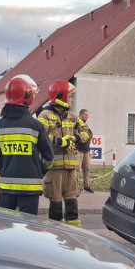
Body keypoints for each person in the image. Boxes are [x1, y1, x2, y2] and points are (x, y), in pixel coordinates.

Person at [0, 75, 53, 215]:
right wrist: (38, 171)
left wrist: (8, 164)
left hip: (6, 188)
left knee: (5, 227)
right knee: (28, 230)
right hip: (30, 190)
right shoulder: (36, 126)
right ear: (28, 96)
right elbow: (49, 157)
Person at [38, 80, 88, 225]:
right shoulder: (45, 115)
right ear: (61, 96)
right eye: (70, 96)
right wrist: (59, 141)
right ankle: (55, 239)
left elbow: (87, 131)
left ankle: (75, 237)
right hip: (54, 169)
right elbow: (41, 137)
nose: (72, 99)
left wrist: (78, 137)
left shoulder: (72, 116)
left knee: (73, 209)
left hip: (71, 169)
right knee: (56, 209)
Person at [76, 109, 94, 192]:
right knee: (77, 169)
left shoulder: (86, 126)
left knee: (86, 169)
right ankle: (75, 187)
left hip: (86, 150)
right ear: (81, 115)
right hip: (79, 150)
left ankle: (86, 186)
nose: (88, 117)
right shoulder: (76, 124)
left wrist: (89, 151)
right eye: (86, 115)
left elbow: (90, 135)